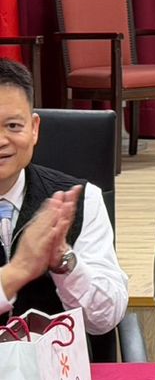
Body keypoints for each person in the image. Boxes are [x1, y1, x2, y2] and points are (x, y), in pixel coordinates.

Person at [0, 58, 128, 337]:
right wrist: (18, 270)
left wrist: (64, 262)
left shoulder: (81, 199)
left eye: (13, 126)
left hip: (57, 362)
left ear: (34, 128)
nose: (1, 140)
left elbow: (104, 320)